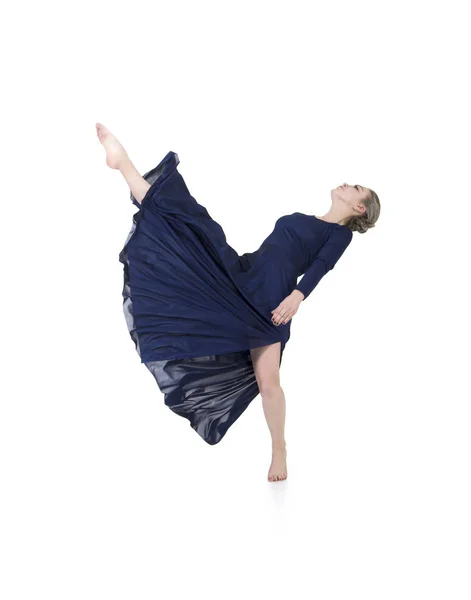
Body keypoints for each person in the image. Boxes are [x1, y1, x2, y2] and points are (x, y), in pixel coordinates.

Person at [96, 123, 381, 482]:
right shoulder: (306, 220)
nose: (346, 183)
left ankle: (280, 450)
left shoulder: (338, 234)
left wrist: (297, 296)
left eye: (355, 188)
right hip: (247, 274)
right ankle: (123, 165)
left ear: (358, 207)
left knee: (269, 382)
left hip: (273, 299)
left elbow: (322, 266)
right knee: (189, 228)